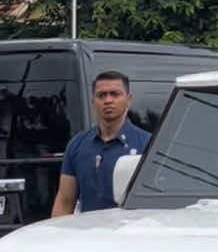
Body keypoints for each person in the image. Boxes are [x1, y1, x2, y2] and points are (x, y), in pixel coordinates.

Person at [51, 71, 150, 216]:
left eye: (115, 94)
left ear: (128, 100)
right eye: (101, 95)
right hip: (88, 234)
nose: (108, 100)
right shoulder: (78, 144)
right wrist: (56, 235)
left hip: (129, 233)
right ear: (93, 102)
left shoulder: (147, 144)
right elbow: (65, 201)